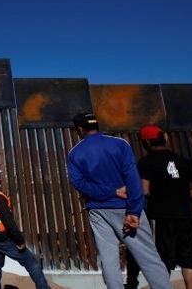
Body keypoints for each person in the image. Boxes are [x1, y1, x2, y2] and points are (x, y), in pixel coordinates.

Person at [66, 112, 171, 289]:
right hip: (126, 207)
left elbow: (80, 184)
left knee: (109, 260)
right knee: (148, 257)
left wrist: (110, 192)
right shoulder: (119, 144)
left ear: (79, 129)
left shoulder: (75, 153)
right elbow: (133, 180)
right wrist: (134, 211)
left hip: (98, 210)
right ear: (97, 125)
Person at [124, 125, 192, 289]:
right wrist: (183, 194)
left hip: (161, 217)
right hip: (185, 216)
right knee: (189, 261)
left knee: (161, 260)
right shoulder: (183, 161)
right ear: (166, 139)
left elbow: (145, 190)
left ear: (146, 142)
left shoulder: (146, 163)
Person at [0, 164, 50, 289]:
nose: (0, 179)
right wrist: (20, 241)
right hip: (4, 239)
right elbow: (9, 222)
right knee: (31, 263)